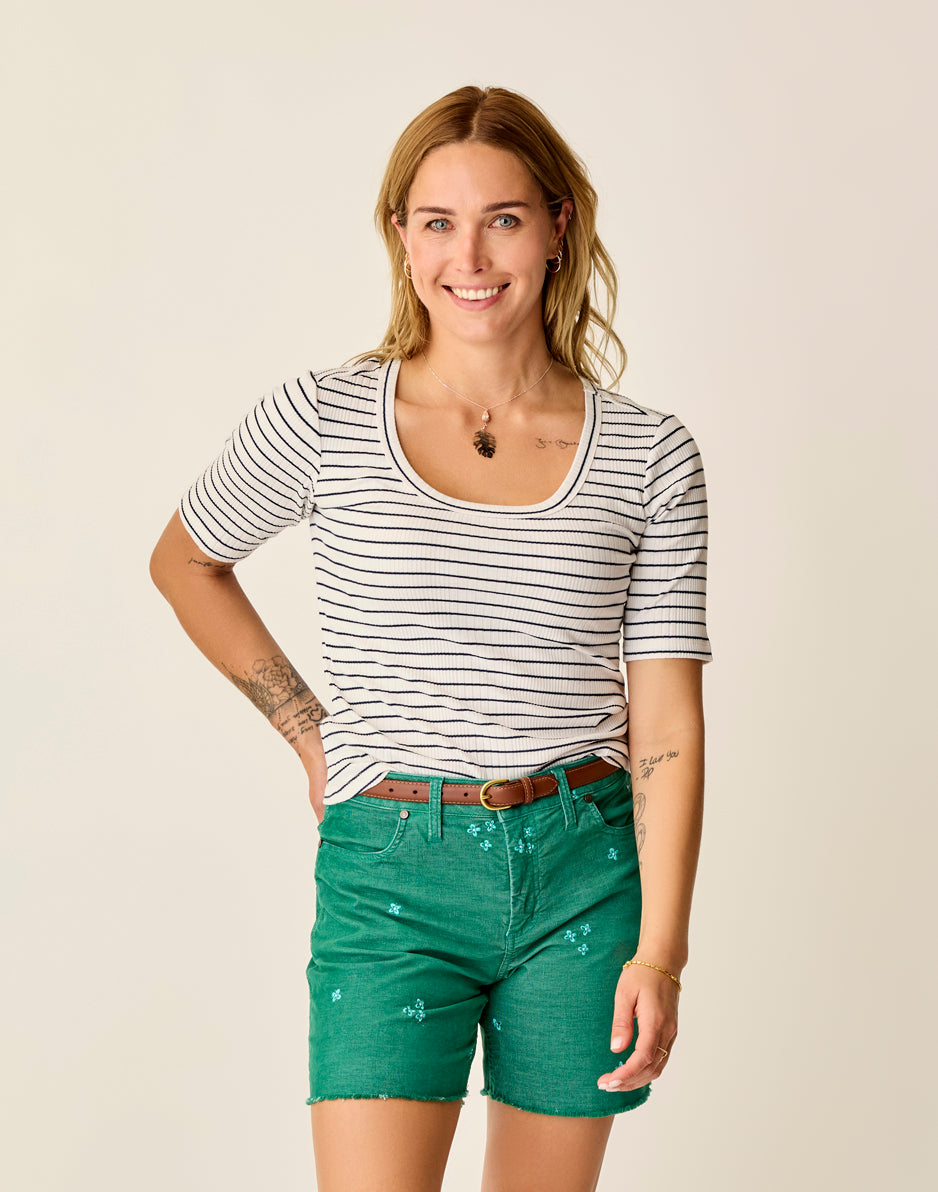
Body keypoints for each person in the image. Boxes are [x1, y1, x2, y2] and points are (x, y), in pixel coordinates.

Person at [150, 84, 711, 1192]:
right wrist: (307, 731)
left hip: (583, 866)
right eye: (439, 221)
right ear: (401, 236)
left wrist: (662, 950)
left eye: (503, 218)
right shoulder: (324, 418)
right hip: (390, 867)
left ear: (557, 227)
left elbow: (666, 721)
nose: (471, 255)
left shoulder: (650, 455)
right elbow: (185, 561)